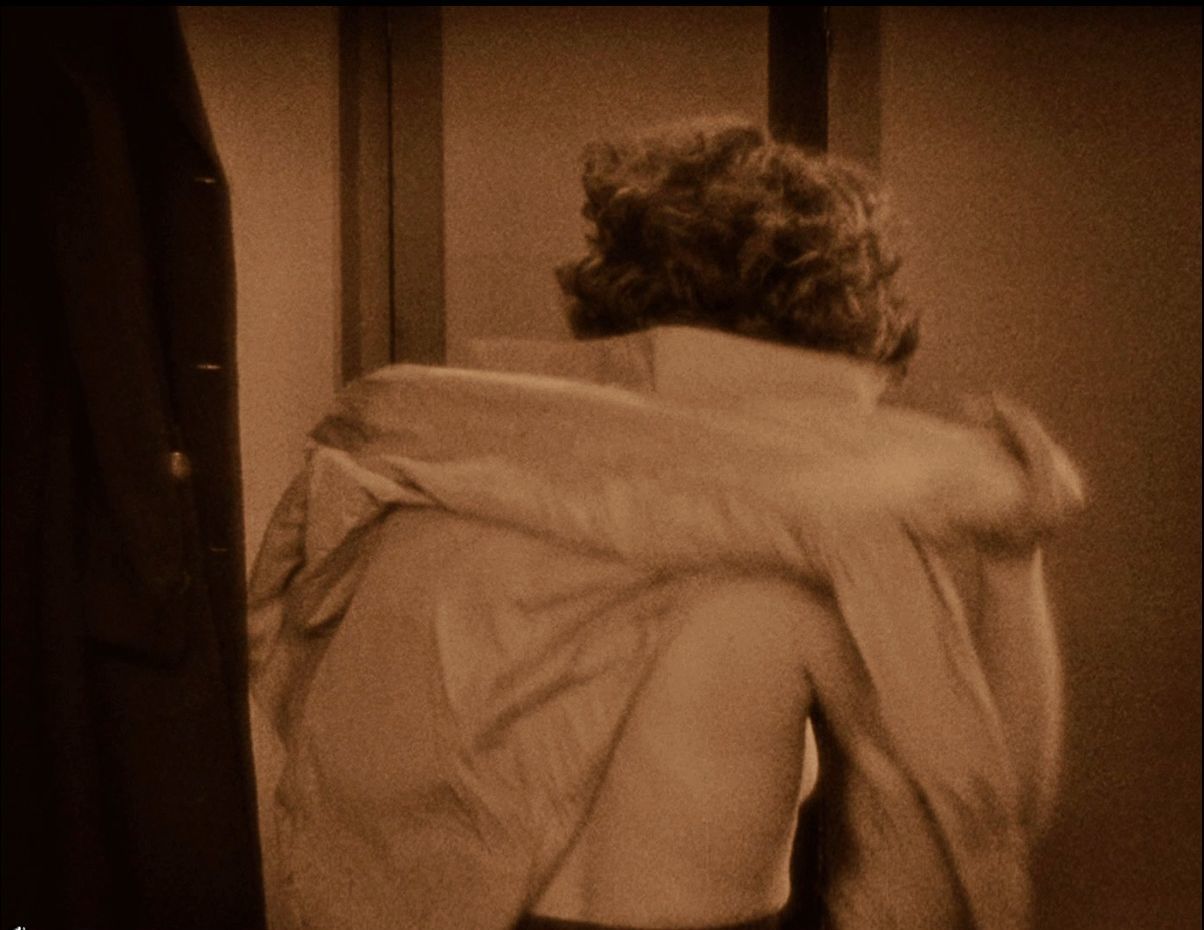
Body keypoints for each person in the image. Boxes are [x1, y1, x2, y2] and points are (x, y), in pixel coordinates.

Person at [247, 118, 1083, 930]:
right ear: (835, 358)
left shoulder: (434, 492)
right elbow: (974, 819)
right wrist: (1014, 563)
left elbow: (327, 758)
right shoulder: (808, 568)